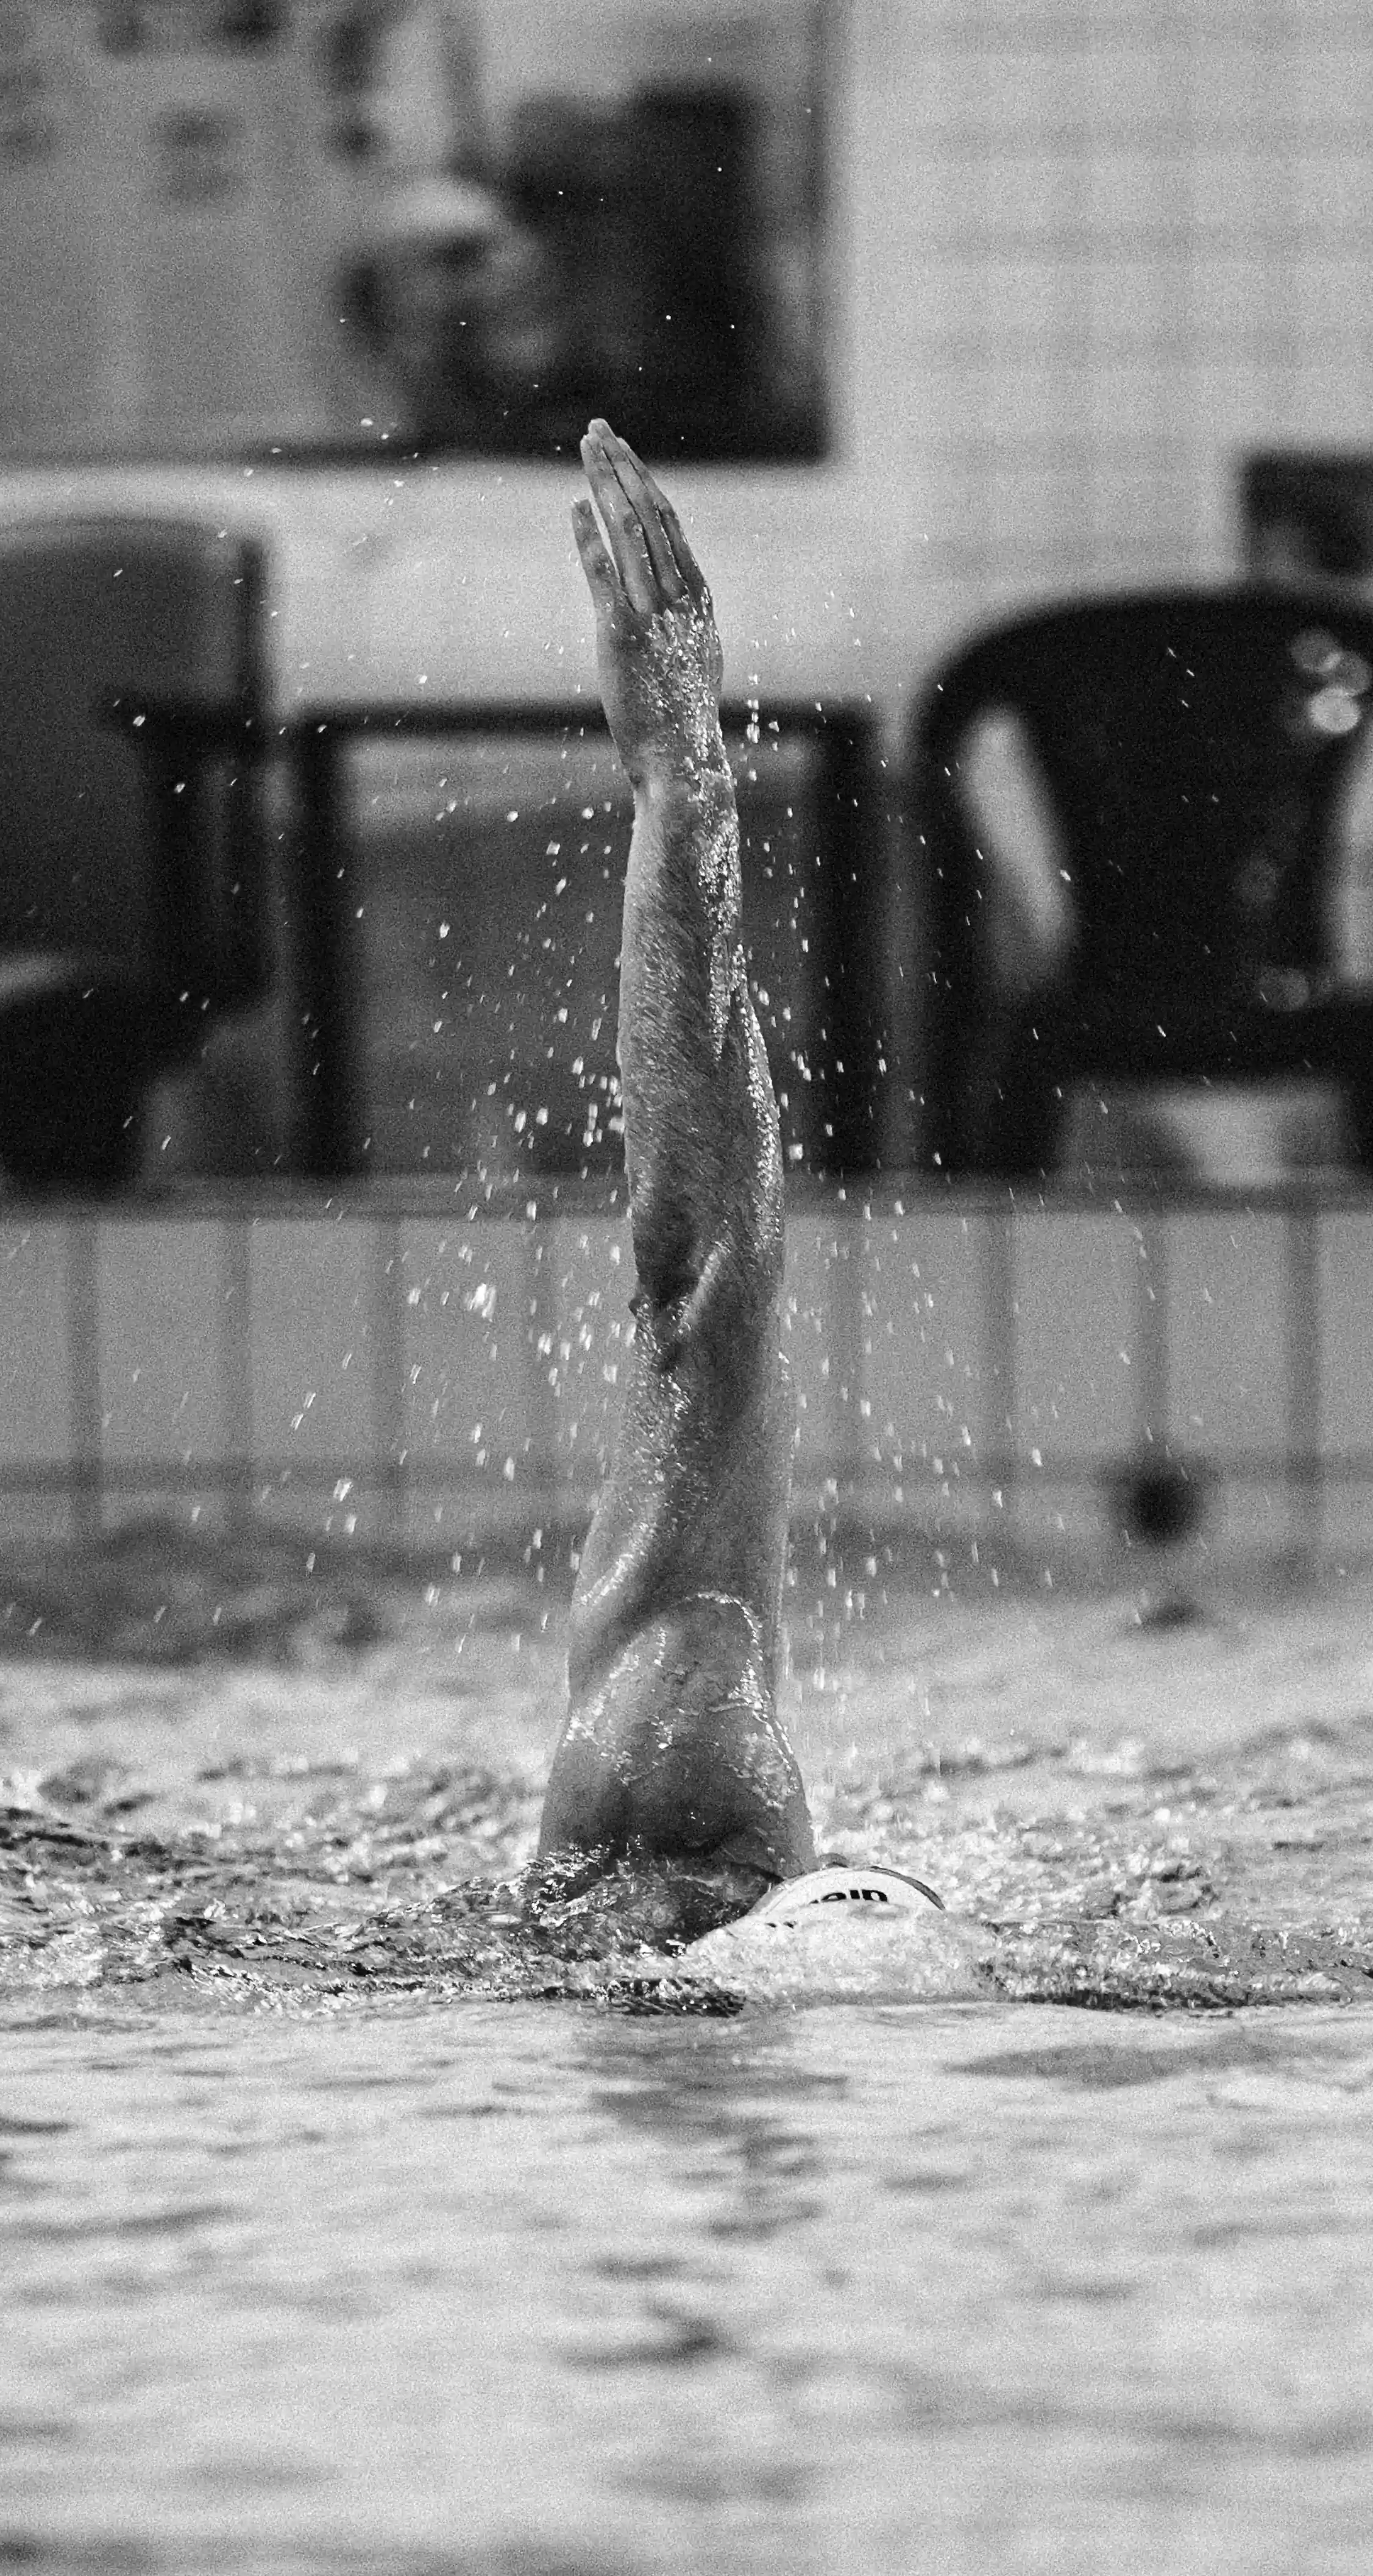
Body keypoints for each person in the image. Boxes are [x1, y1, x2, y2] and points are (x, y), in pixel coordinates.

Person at [533, 424, 818, 1939]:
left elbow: (697, 1289)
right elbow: (702, 1279)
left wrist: (680, 786)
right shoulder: (687, 1725)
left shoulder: (669, 1716)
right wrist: (683, 783)